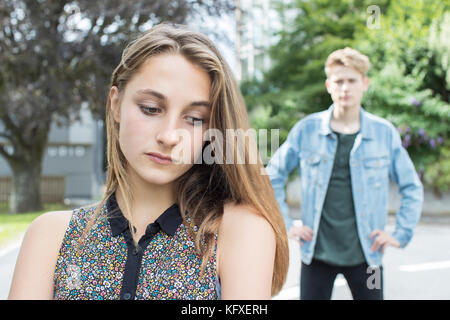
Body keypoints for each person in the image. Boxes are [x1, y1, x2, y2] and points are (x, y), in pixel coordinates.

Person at [8, 23, 289, 300]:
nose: (169, 136)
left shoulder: (238, 232)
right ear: (115, 104)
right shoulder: (51, 236)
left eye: (194, 119)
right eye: (151, 109)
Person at [266, 47, 423, 300]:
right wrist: (284, 224)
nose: (345, 88)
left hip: (367, 255)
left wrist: (400, 233)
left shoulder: (384, 133)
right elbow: (271, 175)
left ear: (365, 83)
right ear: (329, 85)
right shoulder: (307, 129)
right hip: (316, 253)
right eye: (339, 81)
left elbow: (411, 186)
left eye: (352, 81)